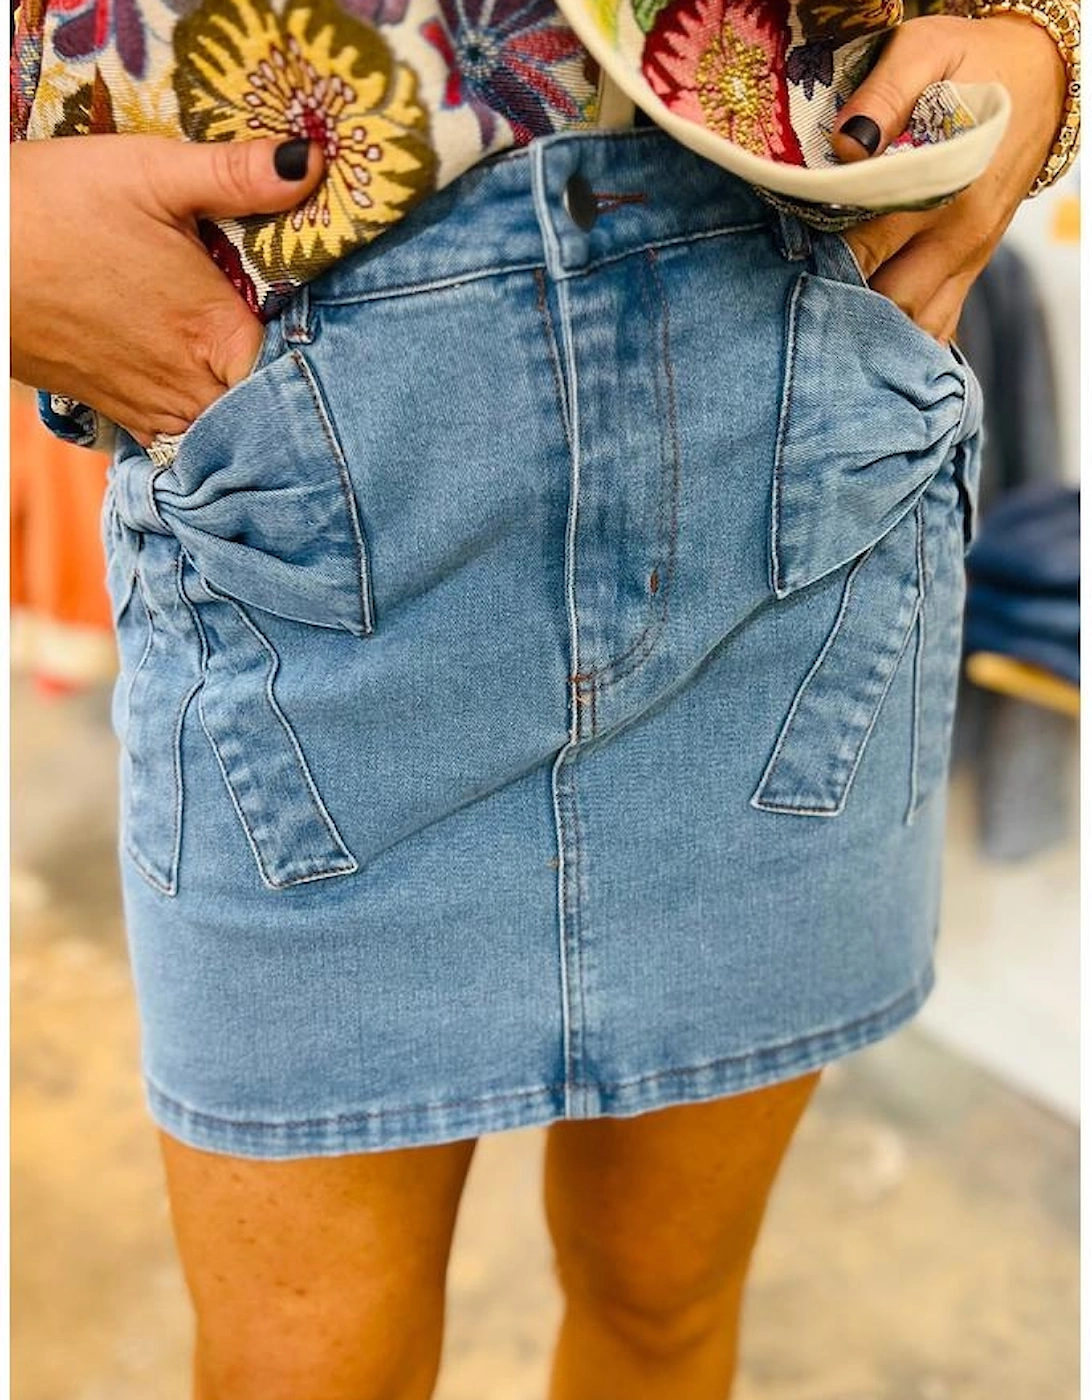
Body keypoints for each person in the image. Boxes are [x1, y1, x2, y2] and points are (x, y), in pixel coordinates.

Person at [9, 0, 1077, 1393]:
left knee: (664, 1306)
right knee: (302, 1371)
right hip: (298, 488)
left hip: (789, 432)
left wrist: (1042, 40)